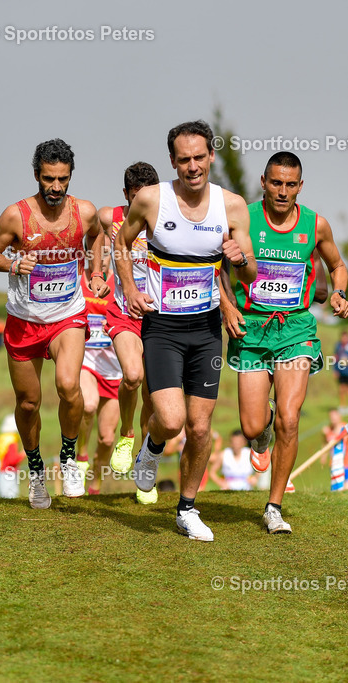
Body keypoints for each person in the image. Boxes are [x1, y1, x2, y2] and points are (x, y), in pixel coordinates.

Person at [115, 120, 256, 542]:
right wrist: (129, 287)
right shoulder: (151, 199)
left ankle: (187, 510)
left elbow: (250, 273)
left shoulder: (232, 206)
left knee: (200, 427)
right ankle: (151, 448)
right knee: (172, 419)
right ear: (172, 162)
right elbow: (120, 244)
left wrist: (239, 258)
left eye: (199, 157)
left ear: (211, 155)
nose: (192, 166)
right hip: (162, 327)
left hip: (206, 329)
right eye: (183, 159)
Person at [220, 151, 348, 534]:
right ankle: (263, 431)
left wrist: (339, 292)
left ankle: (274, 507)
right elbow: (218, 267)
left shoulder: (315, 225)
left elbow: (337, 266)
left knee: (291, 419)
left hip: (295, 329)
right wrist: (227, 306)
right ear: (263, 182)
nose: (282, 191)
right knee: (251, 426)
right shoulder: (243, 217)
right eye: (276, 183)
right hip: (251, 329)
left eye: (290, 184)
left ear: (300, 186)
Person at [0, 138, 106, 509]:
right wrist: (12, 263)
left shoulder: (84, 211)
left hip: (68, 315)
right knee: (28, 403)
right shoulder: (16, 215)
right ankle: (36, 472)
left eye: (62, 179)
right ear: (37, 175)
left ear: (70, 176)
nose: (55, 186)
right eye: (49, 178)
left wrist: (96, 272)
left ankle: (68, 459)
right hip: (25, 320)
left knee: (68, 385)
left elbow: (97, 236)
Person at [98, 162, 160, 485]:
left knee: (152, 398)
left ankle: (145, 464)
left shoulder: (168, 220)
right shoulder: (111, 217)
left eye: (147, 196)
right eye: (135, 197)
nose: (141, 203)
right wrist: (98, 271)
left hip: (159, 317)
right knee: (133, 376)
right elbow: (93, 233)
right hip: (123, 312)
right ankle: (126, 433)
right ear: (126, 194)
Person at [77, 264, 123, 497]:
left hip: (114, 367)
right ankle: (81, 455)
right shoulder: (78, 278)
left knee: (107, 439)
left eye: (106, 252)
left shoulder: (122, 280)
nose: (100, 259)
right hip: (86, 359)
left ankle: (95, 485)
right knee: (88, 405)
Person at [0, 414, 25, 499]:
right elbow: (12, 460)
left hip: (2, 471)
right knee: (11, 497)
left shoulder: (1, 438)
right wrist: (23, 454)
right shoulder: (11, 440)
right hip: (9, 473)